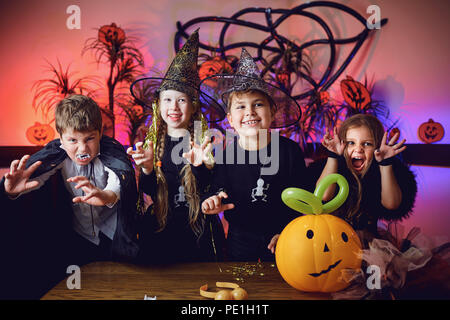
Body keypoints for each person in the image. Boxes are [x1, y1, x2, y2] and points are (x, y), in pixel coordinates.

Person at [0, 94, 139, 299]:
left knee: (118, 288)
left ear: (100, 133)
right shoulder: (56, 155)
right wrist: (11, 191)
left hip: (114, 238)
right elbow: (36, 179)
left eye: (90, 138)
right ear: (61, 138)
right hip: (78, 238)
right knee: (77, 290)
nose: (82, 149)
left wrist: (107, 196)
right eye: (73, 140)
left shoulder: (112, 152)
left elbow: (119, 180)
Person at [199, 48, 310, 261]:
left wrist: (290, 232)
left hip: (284, 235)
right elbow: (217, 189)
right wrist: (212, 200)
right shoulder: (226, 155)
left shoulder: (289, 152)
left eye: (258, 104)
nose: (250, 112)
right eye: (241, 106)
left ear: (272, 112)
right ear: (230, 120)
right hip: (239, 238)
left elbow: (303, 199)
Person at [129, 29, 226, 264]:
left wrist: (199, 166)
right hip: (162, 232)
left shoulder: (206, 140)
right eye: (168, 100)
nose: (174, 106)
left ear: (193, 107)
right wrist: (148, 169)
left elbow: (210, 188)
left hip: (200, 234)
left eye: (181, 100)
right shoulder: (151, 143)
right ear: (159, 105)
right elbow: (150, 191)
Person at [313, 113, 417, 247]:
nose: (358, 149)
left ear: (377, 147)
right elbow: (323, 196)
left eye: (367, 144)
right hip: (330, 242)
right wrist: (333, 156)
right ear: (342, 144)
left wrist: (386, 164)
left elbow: (392, 204)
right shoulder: (333, 167)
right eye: (351, 143)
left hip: (368, 245)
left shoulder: (379, 172)